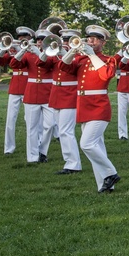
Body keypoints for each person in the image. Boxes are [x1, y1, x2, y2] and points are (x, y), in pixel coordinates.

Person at [60, 25, 120, 193]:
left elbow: (106, 75)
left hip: (99, 106)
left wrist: (92, 54)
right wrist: (73, 50)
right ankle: (105, 186)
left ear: (103, 42)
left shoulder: (108, 59)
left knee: (87, 144)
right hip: (84, 105)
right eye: (89, 38)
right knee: (97, 147)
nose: (90, 41)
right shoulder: (80, 59)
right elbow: (63, 67)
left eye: (95, 39)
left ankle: (111, 173)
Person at [12, 30, 56, 164]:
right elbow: (14, 64)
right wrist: (22, 50)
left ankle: (42, 151)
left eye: (43, 40)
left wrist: (39, 53)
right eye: (38, 40)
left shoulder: (52, 54)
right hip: (31, 93)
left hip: (47, 93)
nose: (40, 42)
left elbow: (46, 65)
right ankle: (32, 157)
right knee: (31, 127)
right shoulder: (28, 55)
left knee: (50, 125)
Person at [0, 26, 33, 156]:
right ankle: (8, 148)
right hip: (15, 87)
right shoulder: (13, 50)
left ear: (29, 38)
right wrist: (3, 49)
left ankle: (34, 144)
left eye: (24, 37)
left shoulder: (32, 50)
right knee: (10, 119)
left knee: (31, 119)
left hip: (28, 87)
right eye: (19, 37)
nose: (20, 39)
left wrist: (23, 49)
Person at [48, 30, 82, 175]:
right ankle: (69, 161)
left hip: (70, 95)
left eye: (69, 40)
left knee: (66, 131)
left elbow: (71, 66)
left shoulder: (79, 56)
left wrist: (68, 52)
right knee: (62, 131)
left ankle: (73, 164)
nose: (66, 43)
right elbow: (40, 63)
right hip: (57, 95)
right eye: (64, 40)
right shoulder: (55, 54)